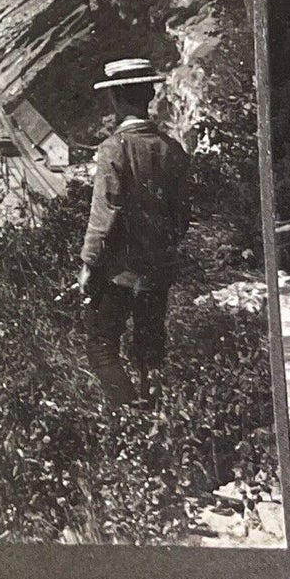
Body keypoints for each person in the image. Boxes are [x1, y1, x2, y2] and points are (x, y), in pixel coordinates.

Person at [78, 57, 192, 406]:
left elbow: (104, 216)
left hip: (120, 271)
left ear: (118, 97)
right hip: (158, 269)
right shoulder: (172, 149)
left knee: (101, 345)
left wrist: (88, 265)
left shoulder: (114, 149)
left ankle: (130, 414)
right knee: (150, 345)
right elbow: (181, 217)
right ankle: (154, 410)